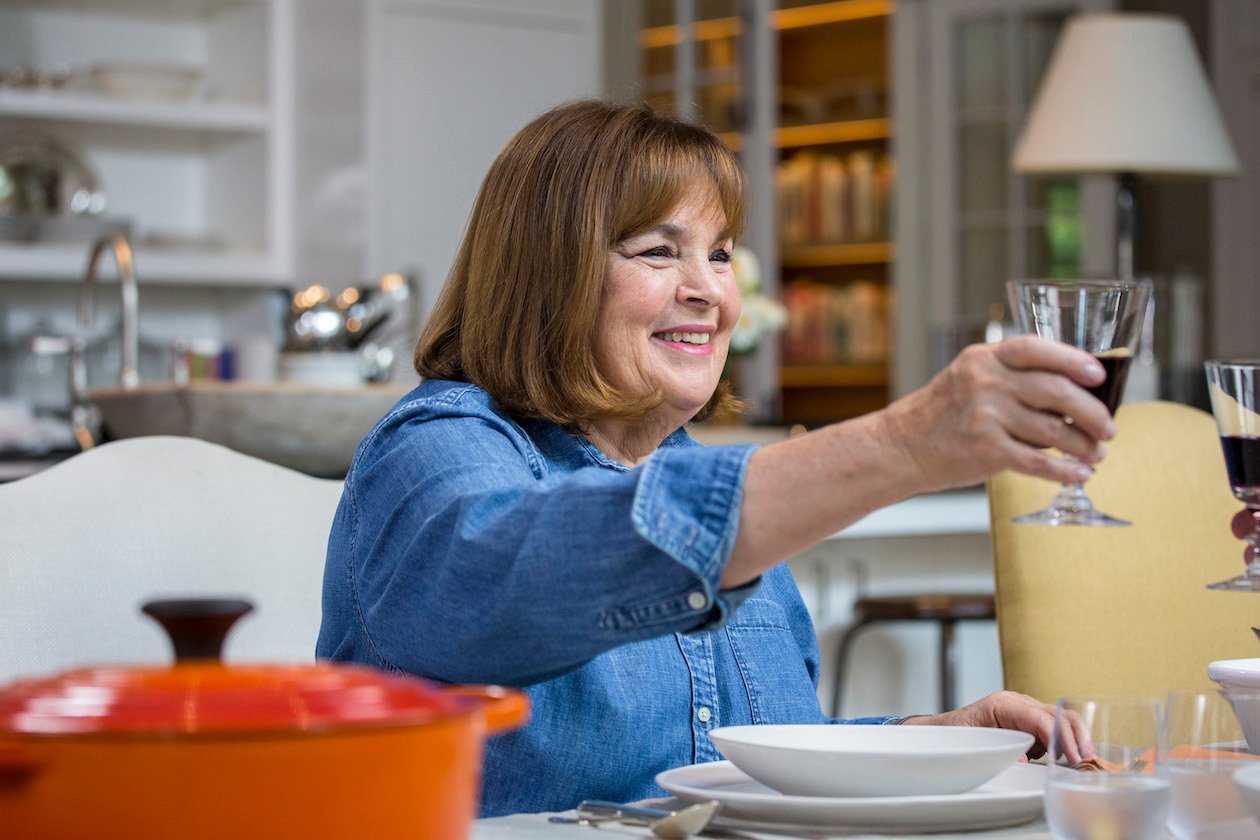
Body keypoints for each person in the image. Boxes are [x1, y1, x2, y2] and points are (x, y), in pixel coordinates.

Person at [317, 99, 1104, 816]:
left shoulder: (706, 481)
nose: (710, 291)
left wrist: (936, 739)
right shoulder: (435, 450)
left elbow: (757, 762)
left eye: (721, 254)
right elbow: (501, 596)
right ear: (548, 273)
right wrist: (906, 443)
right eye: (660, 251)